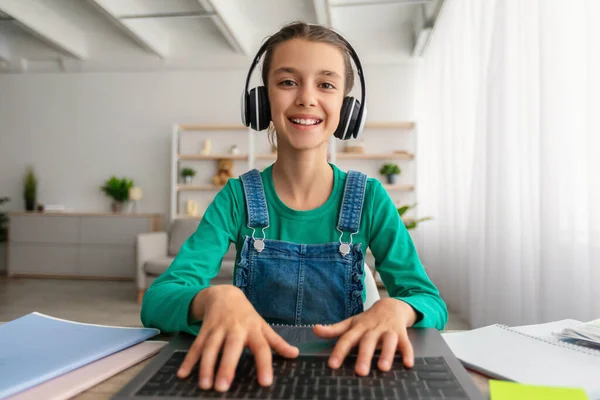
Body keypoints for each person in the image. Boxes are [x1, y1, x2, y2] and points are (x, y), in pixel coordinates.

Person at [141, 21, 448, 393]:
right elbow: (157, 300)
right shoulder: (236, 198)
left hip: (346, 377)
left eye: (326, 84)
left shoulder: (370, 198)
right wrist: (211, 298)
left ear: (348, 108)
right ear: (261, 101)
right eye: (288, 82)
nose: (306, 98)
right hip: (250, 376)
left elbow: (430, 302)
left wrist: (399, 308)